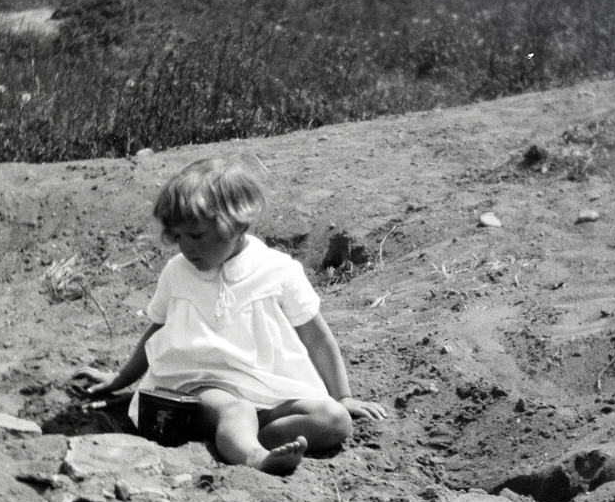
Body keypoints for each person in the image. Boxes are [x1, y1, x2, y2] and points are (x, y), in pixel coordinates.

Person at [77, 157, 386, 476]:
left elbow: (318, 338)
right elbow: (156, 333)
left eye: (196, 236)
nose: (185, 248)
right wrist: (121, 379)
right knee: (234, 409)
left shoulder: (278, 271)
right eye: (178, 236)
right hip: (196, 389)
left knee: (334, 419)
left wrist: (344, 396)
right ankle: (255, 457)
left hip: (267, 391)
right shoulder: (177, 273)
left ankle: (244, 440)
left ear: (237, 225)